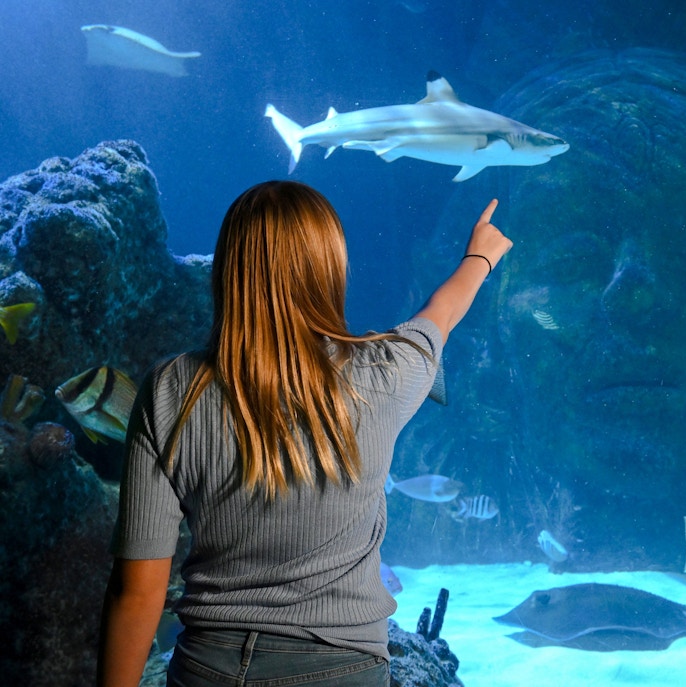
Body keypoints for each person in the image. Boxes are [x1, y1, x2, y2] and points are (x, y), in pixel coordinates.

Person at [96, 181, 512, 687]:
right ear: (330, 268)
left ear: (228, 269)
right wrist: (479, 258)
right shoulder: (384, 374)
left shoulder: (170, 390)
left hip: (210, 667)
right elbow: (439, 316)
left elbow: (136, 591)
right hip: (345, 669)